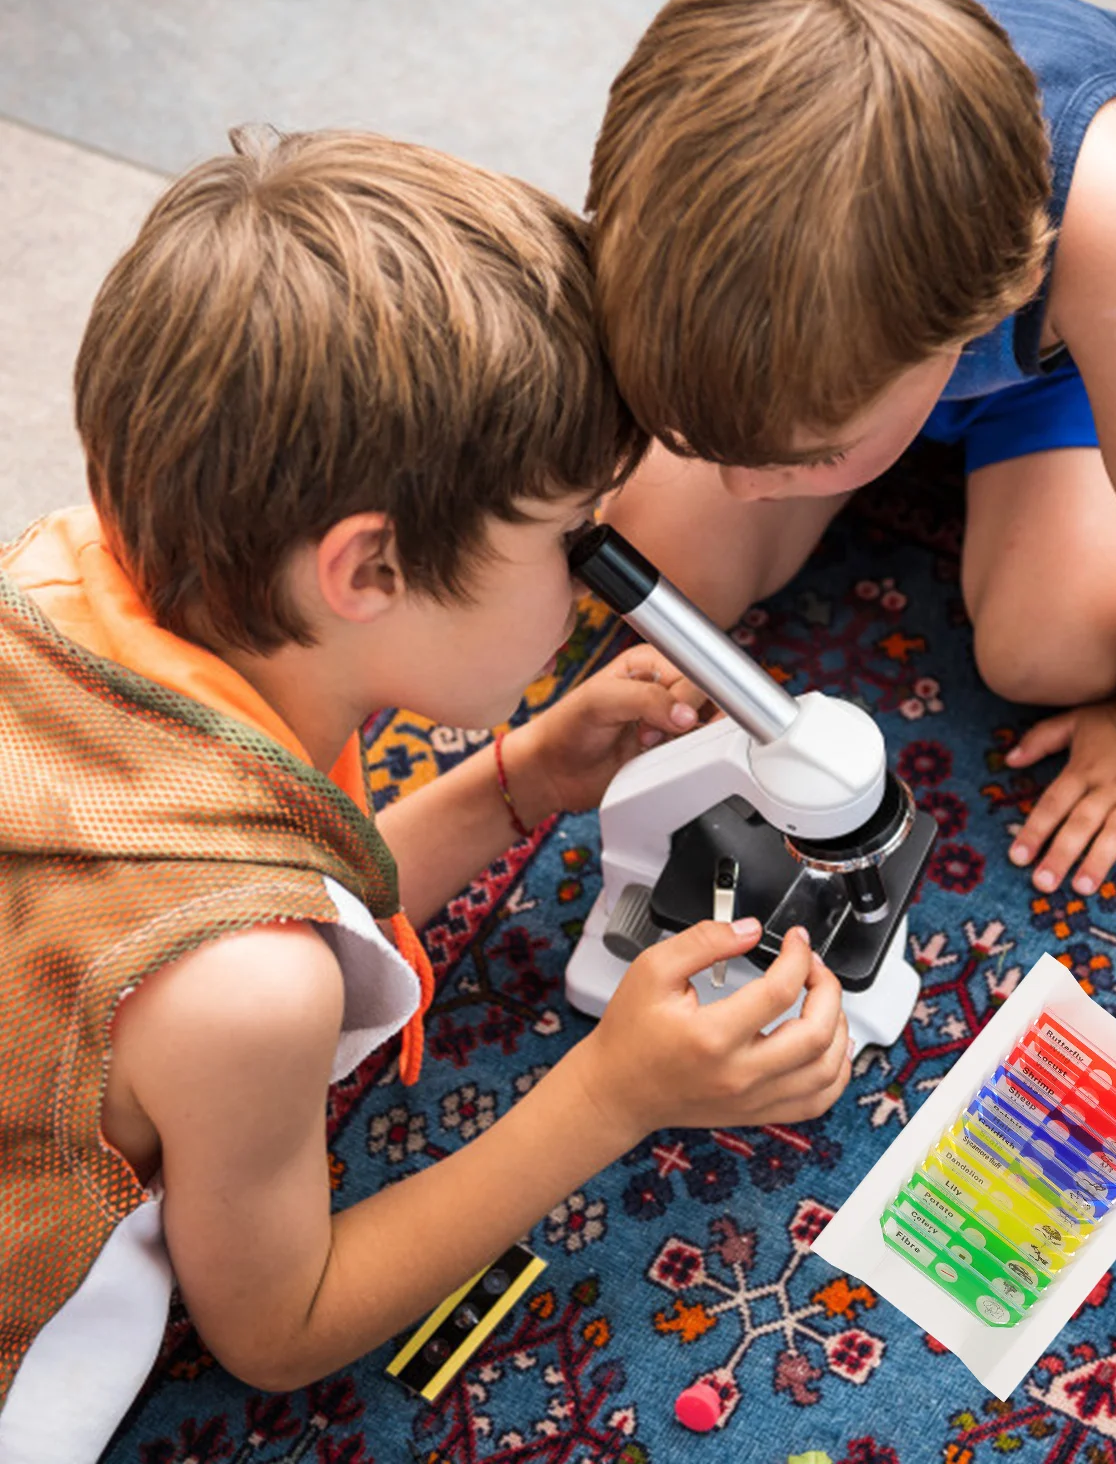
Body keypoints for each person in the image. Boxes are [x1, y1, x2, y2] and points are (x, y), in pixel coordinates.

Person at [0, 128, 849, 1463]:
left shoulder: (68, 571)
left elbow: (224, 868)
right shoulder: (247, 991)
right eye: (569, 537)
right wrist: (611, 1094)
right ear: (369, 571)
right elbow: (278, 1328)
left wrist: (514, 784)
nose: (594, 580)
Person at [588, 0, 1116, 903]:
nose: (740, 481)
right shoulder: (686, 202)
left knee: (1052, 652)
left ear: (969, 325)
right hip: (862, 346)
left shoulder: (1102, 226)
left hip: (1062, 372)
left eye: (812, 452)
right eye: (709, 441)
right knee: (655, 558)